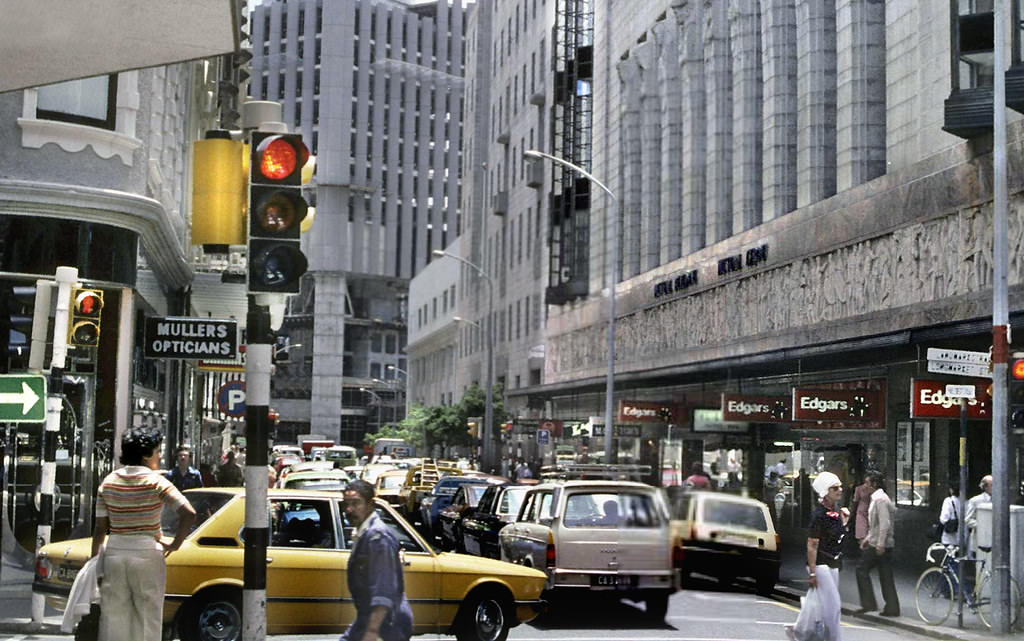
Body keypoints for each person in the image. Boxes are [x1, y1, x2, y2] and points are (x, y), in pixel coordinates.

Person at [91, 427, 196, 641]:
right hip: (147, 553)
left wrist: (95, 562)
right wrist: (175, 544)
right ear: (147, 455)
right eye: (157, 452)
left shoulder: (108, 482)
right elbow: (188, 513)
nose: (159, 457)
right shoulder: (156, 482)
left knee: (113, 618)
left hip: (115, 553)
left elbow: (100, 528)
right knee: (148, 619)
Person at [341, 480, 413, 641]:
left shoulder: (378, 537)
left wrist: (372, 632)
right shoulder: (364, 533)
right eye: (346, 504)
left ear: (370, 504)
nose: (349, 510)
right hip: (368, 619)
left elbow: (383, 589)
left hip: (387, 625)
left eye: (356, 503)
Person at [786, 471, 848, 641]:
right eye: (835, 488)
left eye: (840, 487)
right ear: (825, 492)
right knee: (833, 604)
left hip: (833, 562)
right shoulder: (818, 515)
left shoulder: (837, 512)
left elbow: (838, 538)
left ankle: (799, 630)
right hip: (820, 563)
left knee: (817, 600)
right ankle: (834, 638)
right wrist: (812, 573)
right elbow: (812, 545)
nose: (840, 490)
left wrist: (844, 523)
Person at [855, 471, 899, 617]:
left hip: (879, 545)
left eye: (867, 483)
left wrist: (879, 544)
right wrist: (867, 538)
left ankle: (869, 603)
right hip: (881, 543)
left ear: (874, 484)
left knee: (861, 569)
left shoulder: (880, 500)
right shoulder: (877, 498)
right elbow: (876, 525)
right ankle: (892, 608)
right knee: (885, 576)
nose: (865, 486)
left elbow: (884, 524)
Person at [965, 474, 992, 554]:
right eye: (992, 485)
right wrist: (983, 526)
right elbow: (968, 520)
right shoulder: (975, 501)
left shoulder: (998, 499)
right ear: (985, 487)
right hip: (979, 539)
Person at [850, 472, 873, 549]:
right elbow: (855, 502)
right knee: (862, 534)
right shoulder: (859, 489)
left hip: (871, 512)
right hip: (861, 513)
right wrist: (851, 514)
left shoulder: (873, 489)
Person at [939, 482, 963, 548]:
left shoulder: (948, 501)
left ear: (951, 490)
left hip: (949, 539)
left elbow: (943, 519)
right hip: (963, 538)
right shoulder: (966, 502)